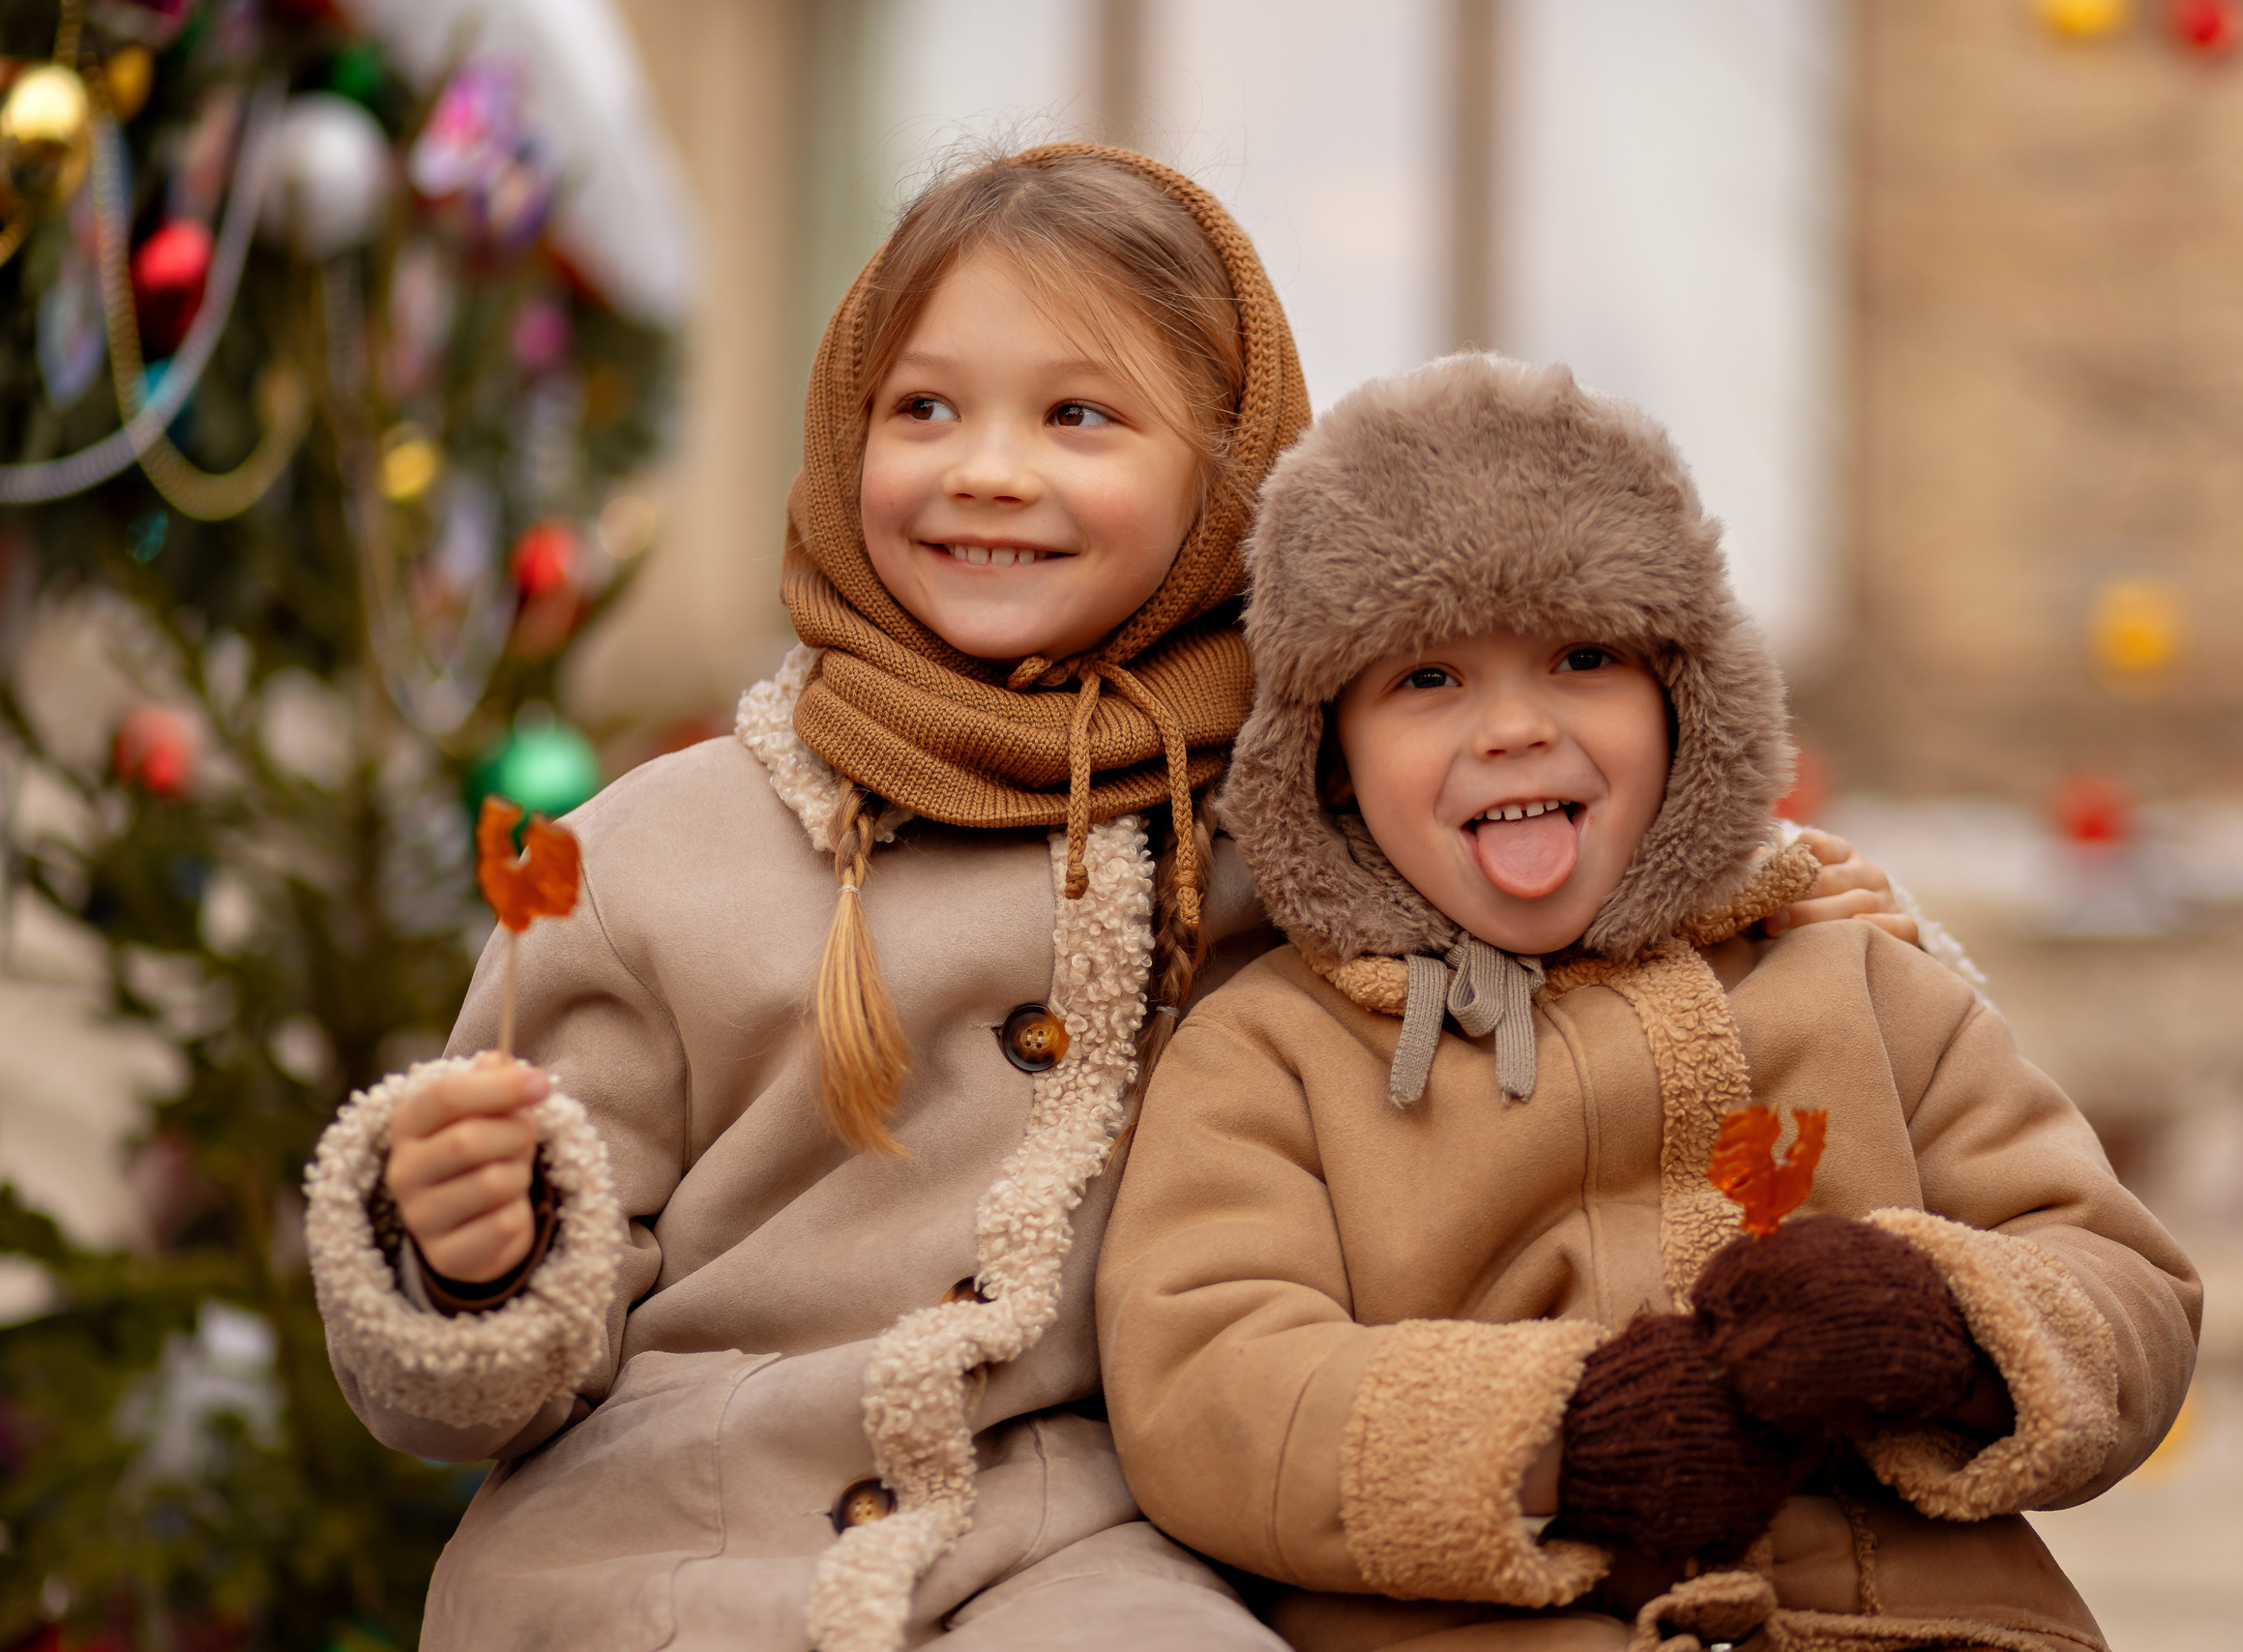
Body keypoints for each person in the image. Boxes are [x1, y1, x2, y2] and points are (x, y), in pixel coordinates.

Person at [304, 147, 1923, 1652]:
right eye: (924, 410)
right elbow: (475, 1391)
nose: (988, 474)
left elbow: (1546, 907)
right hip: (661, 1536)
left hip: (1083, 1551)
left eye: (1081, 419)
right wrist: (470, 1253)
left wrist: (1749, 898)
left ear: (1232, 473)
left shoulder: (1307, 822)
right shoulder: (663, 849)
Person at [1095, 354, 2200, 1652]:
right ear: (1327, 761)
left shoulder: (1858, 978)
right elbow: (1208, 1392)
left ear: (1685, 705)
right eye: (1427, 679)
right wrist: (1566, 1437)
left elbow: (2125, 1285)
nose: (1514, 727)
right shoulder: (1274, 1050)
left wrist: (1939, 1325)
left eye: (1581, 657)